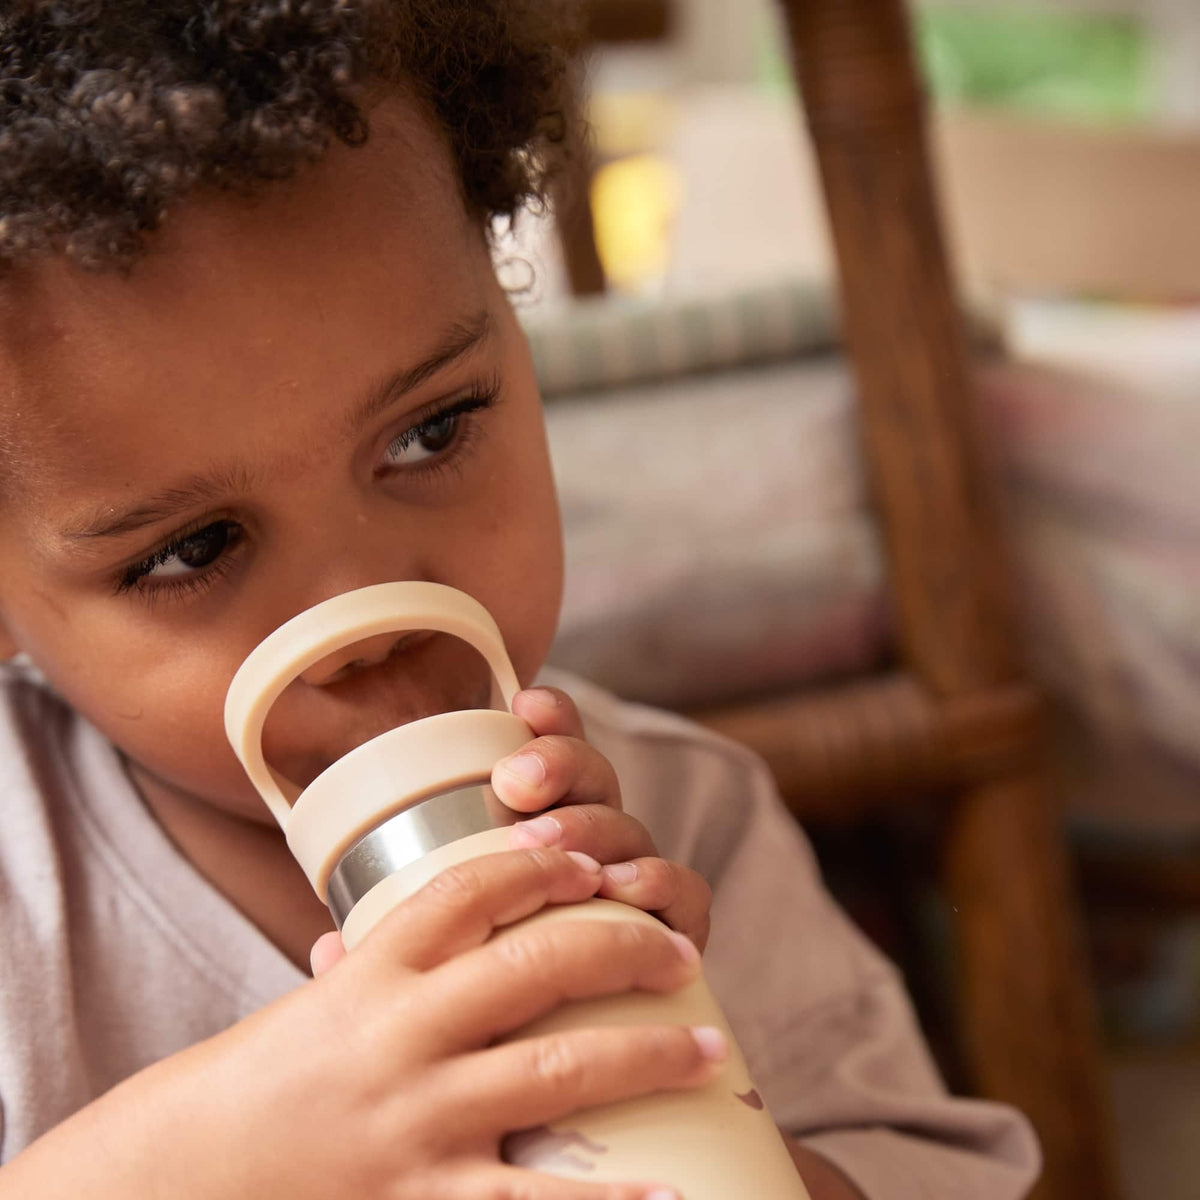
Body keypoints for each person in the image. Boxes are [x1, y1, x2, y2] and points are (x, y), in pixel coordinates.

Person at [0, 3, 1040, 1197]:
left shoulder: (686, 822)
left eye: (431, 429)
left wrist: (702, 1129)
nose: (374, 604)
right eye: (190, 550)